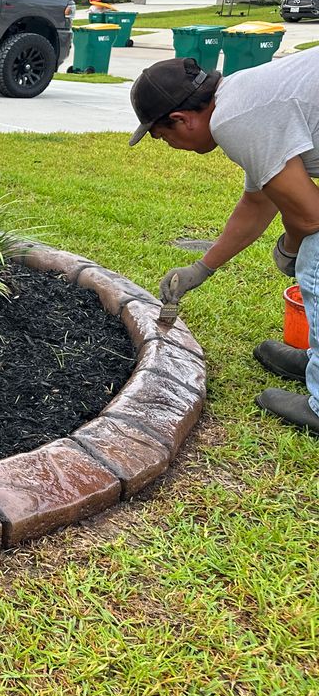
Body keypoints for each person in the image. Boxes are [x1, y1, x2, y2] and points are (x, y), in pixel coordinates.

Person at [128, 48, 319, 434]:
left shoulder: (236, 118)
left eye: (163, 137)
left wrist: (293, 248)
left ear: (181, 119)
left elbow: (310, 216)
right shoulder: (241, 97)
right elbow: (258, 201)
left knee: (315, 264)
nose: (168, 145)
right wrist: (202, 267)